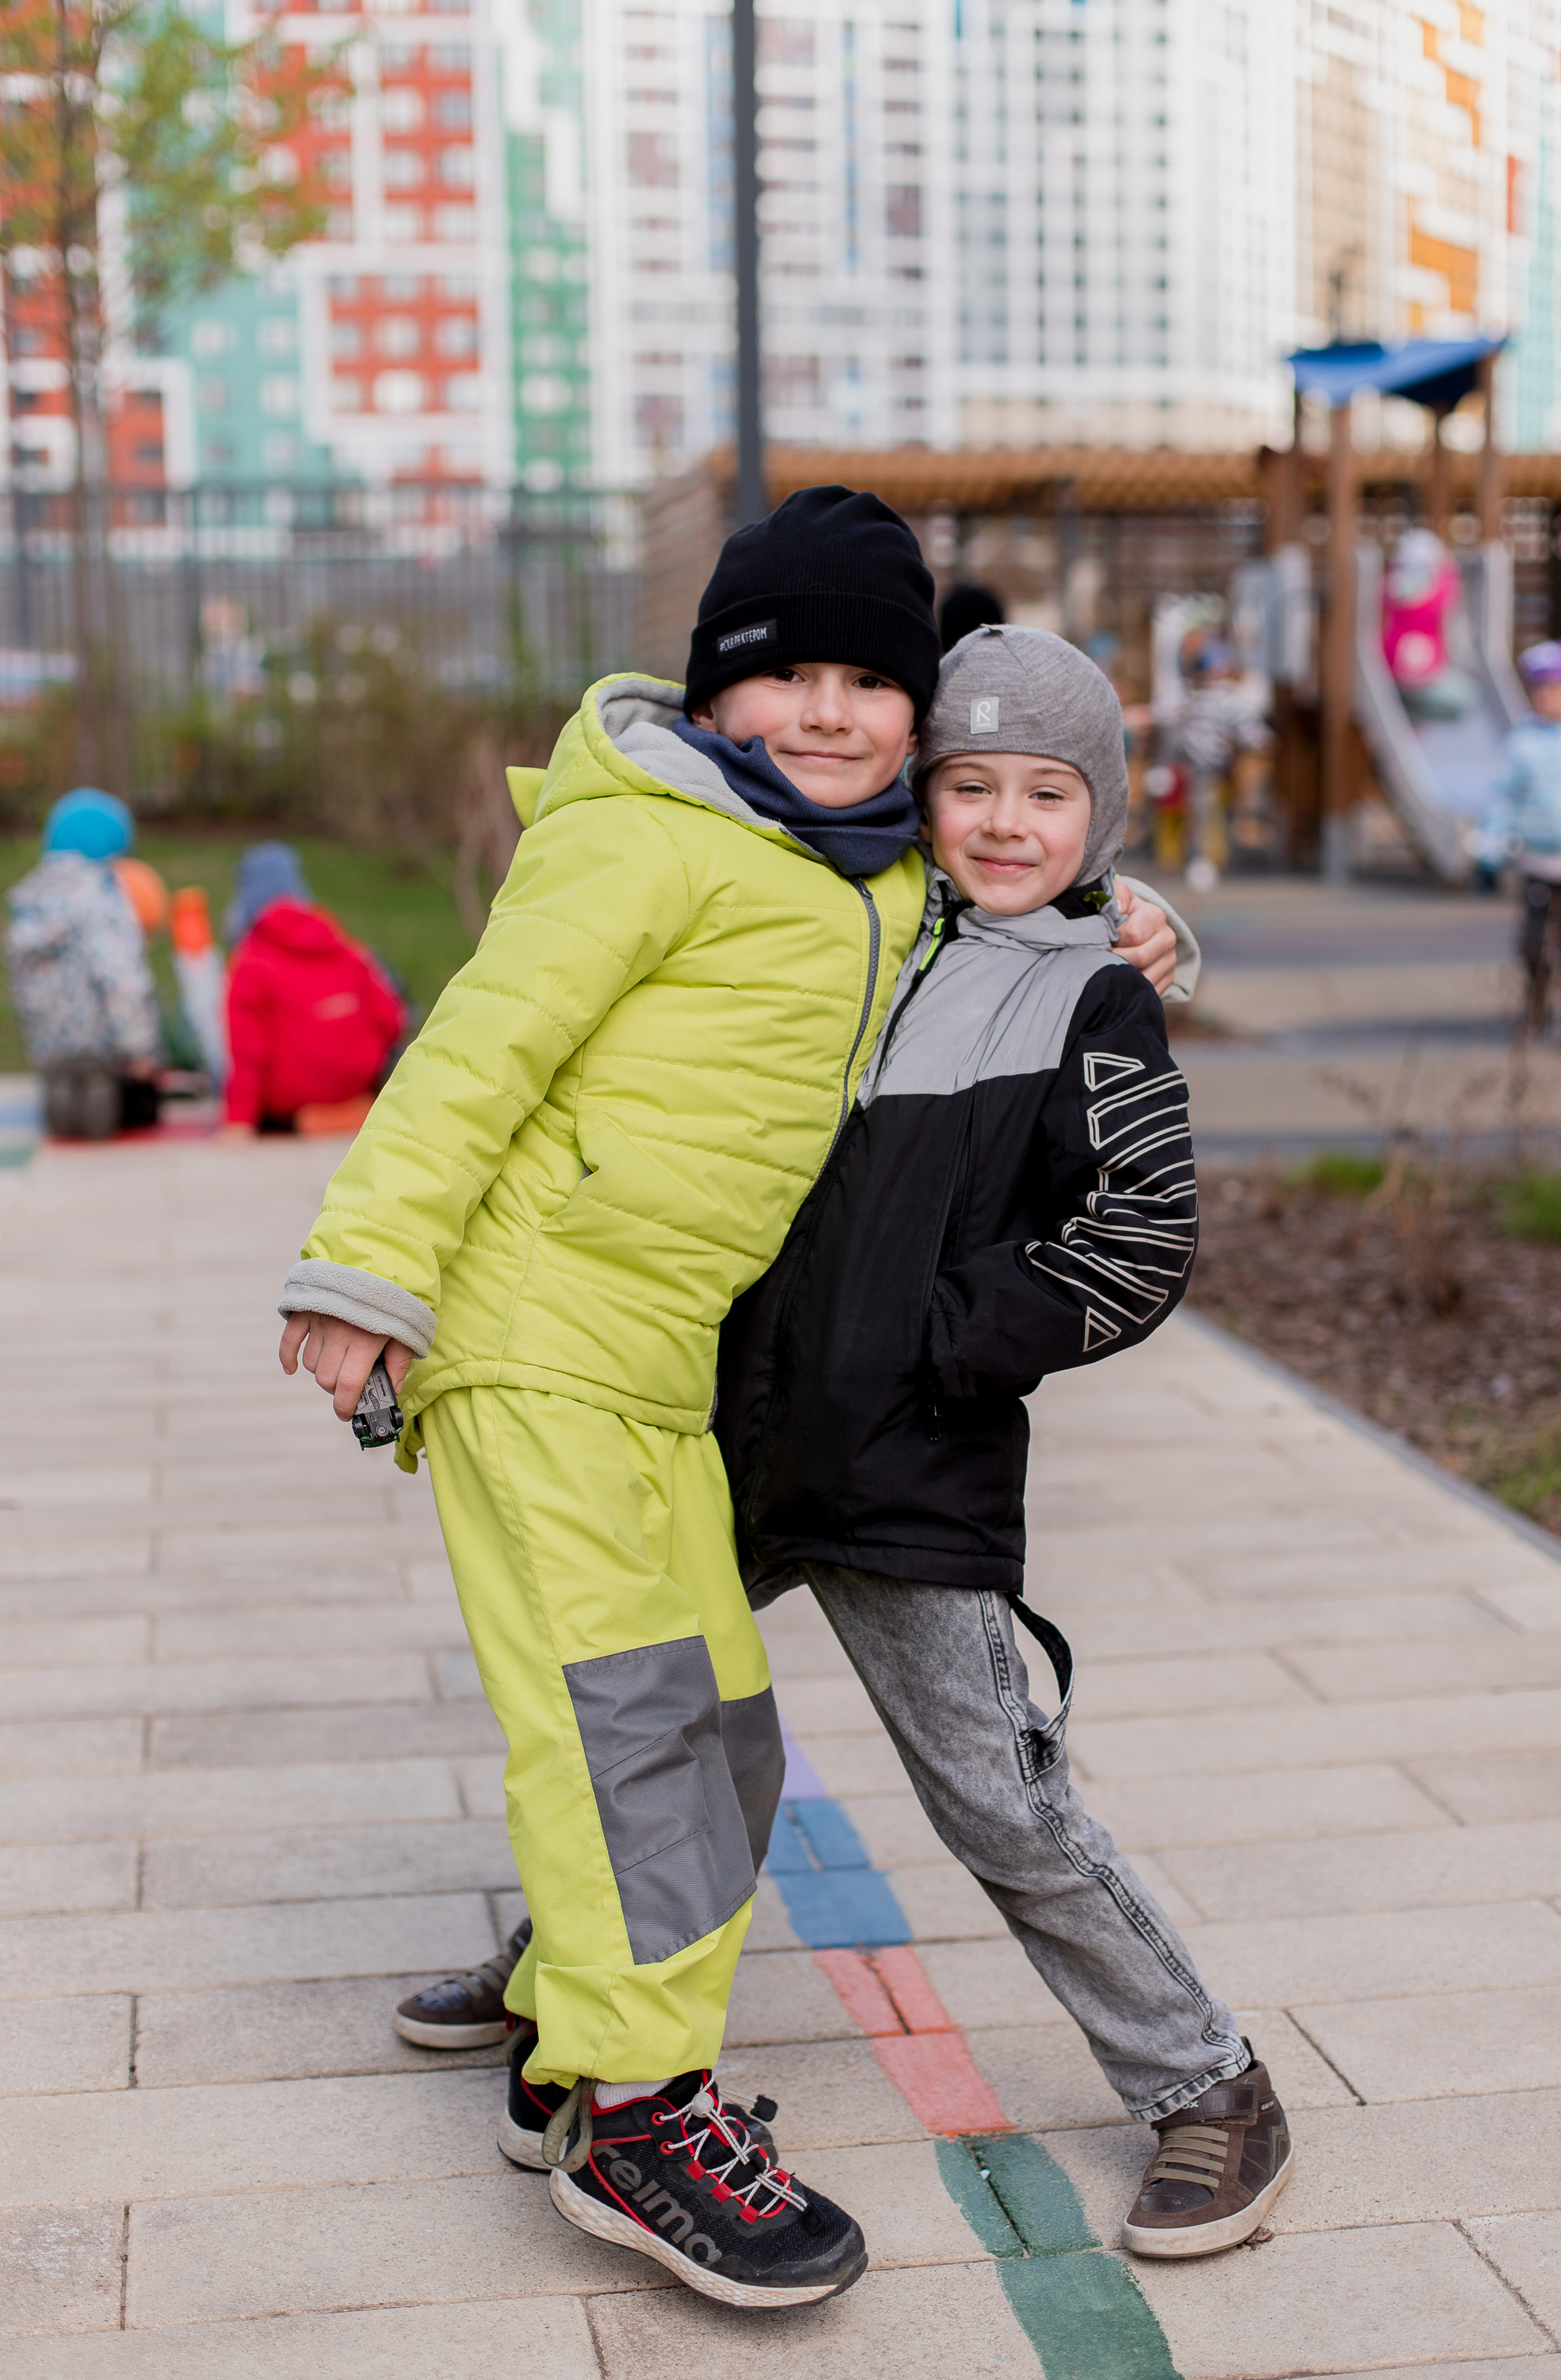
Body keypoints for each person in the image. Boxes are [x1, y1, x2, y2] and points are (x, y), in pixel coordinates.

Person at [276, 488, 1189, 2311]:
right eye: (793, 677)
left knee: (718, 1733)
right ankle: (638, 2107)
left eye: (876, 681)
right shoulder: (649, 843)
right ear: (714, 691)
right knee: (629, 1733)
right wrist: (361, 1271)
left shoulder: (856, 865)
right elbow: (478, 1043)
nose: (837, 711)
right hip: (541, 1343)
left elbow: (1009, 900)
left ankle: (563, 2046)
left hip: (658, 1381)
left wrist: (1131, 914)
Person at [715, 625, 1291, 2260]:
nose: (1007, 820)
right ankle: (563, 1982)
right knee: (648, 1734)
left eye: (1050, 792)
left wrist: (939, 1349)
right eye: (970, 785)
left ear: (1097, 815)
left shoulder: (1098, 995)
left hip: (913, 1464)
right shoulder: (859, 939)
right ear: (923, 795)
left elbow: (1141, 1233)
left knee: (1004, 1804)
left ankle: (1208, 2085)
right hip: (731, 1447)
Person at [3, 787, 164, 1140]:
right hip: (99, 1043)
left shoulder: (31, 899)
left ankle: (62, 1104)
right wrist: (139, 1048)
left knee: (66, 1089)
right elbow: (121, 978)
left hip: (49, 1047)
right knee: (120, 1099)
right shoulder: (102, 898)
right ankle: (98, 1110)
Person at [221, 843, 407, 1136]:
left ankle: (306, 1118)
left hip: (292, 1099)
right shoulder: (348, 949)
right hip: (355, 1086)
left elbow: (248, 1052)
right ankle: (353, 1110)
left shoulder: (249, 962)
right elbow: (391, 1019)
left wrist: (238, 1123)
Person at [1475, 641, 1561, 1041]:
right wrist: (1488, 852)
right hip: (1535, 860)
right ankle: (1536, 1009)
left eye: (1560, 689)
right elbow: (1501, 800)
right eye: (1541, 690)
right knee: (1535, 944)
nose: (1550, 698)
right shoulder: (1522, 743)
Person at [1172, 639, 1273, 891]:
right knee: (1206, 813)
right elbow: (1248, 728)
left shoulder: (1200, 696)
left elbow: (1245, 726)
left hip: (1200, 763)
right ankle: (1204, 859)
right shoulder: (1212, 697)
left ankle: (1203, 859)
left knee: (1204, 813)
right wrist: (1260, 738)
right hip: (1209, 763)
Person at [1381, 525, 1475, 721]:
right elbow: (1446, 595)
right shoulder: (1439, 592)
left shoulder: (1390, 587)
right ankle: (1417, 711)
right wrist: (1449, 568)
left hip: (1393, 669)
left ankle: (1413, 710)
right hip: (1425, 674)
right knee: (1467, 698)